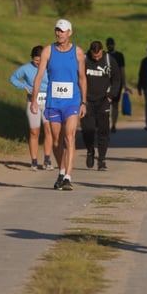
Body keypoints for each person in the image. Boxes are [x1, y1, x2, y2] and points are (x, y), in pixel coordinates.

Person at [30, 19, 86, 191]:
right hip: (53, 102)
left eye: (63, 31)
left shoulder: (77, 52)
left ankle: (68, 176)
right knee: (56, 141)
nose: (59, 33)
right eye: (57, 30)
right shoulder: (48, 51)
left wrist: (84, 101)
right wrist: (34, 100)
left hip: (72, 101)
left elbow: (82, 78)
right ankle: (61, 172)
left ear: (70, 32)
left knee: (69, 136)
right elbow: (39, 76)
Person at [9, 45, 54, 170]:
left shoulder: (50, 68)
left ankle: (47, 159)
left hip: (48, 102)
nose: (39, 63)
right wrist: (23, 86)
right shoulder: (25, 69)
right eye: (36, 61)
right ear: (32, 59)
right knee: (34, 132)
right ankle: (34, 161)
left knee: (49, 129)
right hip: (32, 101)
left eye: (41, 60)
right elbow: (12, 78)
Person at [82, 40, 121, 170]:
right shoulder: (84, 59)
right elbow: (77, 78)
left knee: (103, 131)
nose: (97, 58)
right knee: (88, 129)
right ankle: (90, 150)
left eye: (99, 56)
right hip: (87, 100)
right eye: (95, 56)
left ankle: (102, 159)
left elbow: (116, 79)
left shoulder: (109, 60)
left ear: (102, 51)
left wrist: (111, 96)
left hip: (103, 100)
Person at [105, 37, 126, 132]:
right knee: (107, 104)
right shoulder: (105, 55)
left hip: (117, 82)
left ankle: (114, 124)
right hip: (107, 82)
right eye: (108, 44)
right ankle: (108, 123)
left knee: (115, 104)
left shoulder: (119, 56)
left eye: (111, 44)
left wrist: (124, 83)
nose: (110, 46)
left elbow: (122, 70)